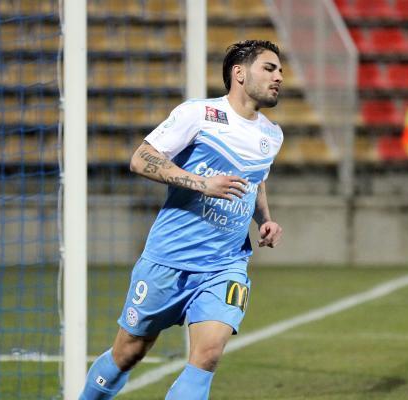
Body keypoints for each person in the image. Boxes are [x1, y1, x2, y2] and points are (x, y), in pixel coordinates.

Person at [79, 39, 284, 399]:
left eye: (280, 70)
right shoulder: (199, 114)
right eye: (269, 68)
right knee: (128, 353)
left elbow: (256, 180)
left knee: (208, 355)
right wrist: (203, 183)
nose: (279, 76)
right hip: (169, 260)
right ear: (239, 73)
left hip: (225, 264)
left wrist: (264, 218)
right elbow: (141, 159)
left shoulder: (272, 134)